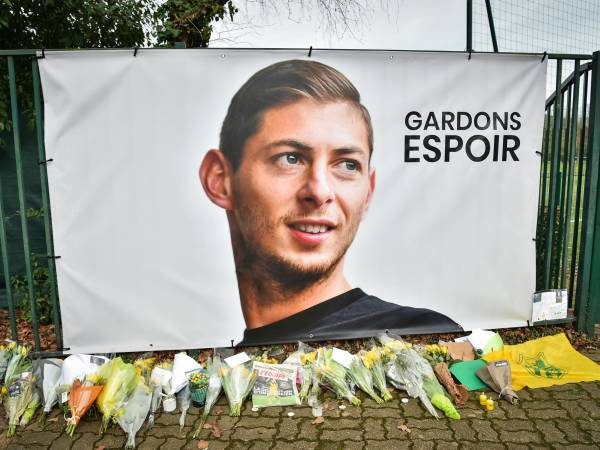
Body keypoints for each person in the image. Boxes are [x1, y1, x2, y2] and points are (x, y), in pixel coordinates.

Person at [200, 59, 462, 346]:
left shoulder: (419, 337)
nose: (320, 191)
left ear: (368, 193)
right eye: (290, 158)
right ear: (220, 179)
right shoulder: (222, 367)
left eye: (347, 165)